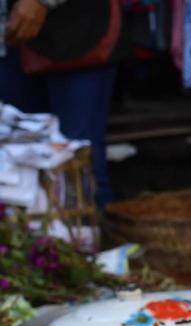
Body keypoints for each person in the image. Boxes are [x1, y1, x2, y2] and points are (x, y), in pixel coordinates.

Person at [0, 0, 120, 205]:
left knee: (78, 171)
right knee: (16, 173)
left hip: (75, 34)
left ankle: (85, 234)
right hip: (9, 42)